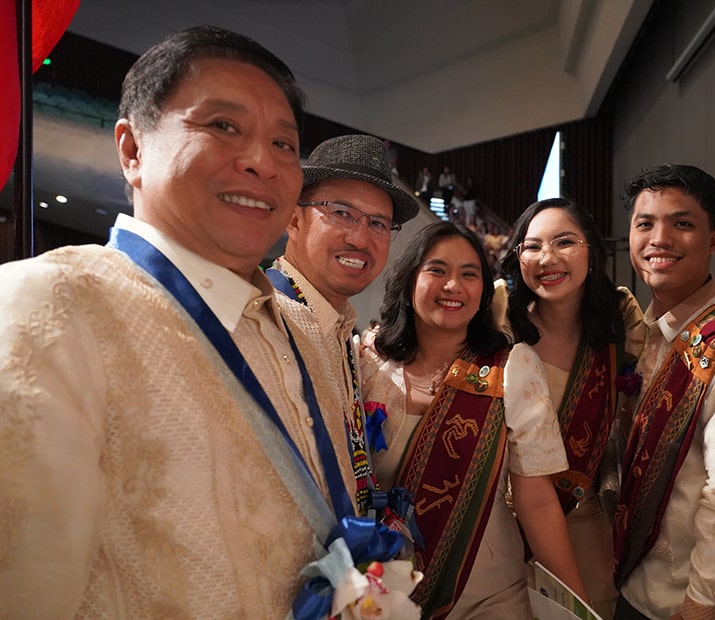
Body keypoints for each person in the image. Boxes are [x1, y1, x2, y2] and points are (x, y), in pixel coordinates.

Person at [0, 26, 344, 617]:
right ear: (132, 150)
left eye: (284, 145)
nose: (262, 162)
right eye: (223, 126)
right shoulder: (52, 304)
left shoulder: (303, 327)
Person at [361, 222, 587, 618]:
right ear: (409, 278)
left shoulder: (512, 368)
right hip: (383, 596)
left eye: (470, 274)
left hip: (490, 597)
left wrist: (576, 605)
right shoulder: (367, 363)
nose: (453, 286)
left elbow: (536, 503)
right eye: (437, 270)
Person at [613, 164, 715, 620]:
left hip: (681, 597)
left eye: (682, 223)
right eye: (645, 223)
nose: (659, 239)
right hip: (629, 578)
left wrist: (703, 601)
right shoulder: (639, 332)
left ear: (713, 240)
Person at [497, 197, 645, 619]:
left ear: (592, 252)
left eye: (565, 242)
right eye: (532, 246)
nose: (547, 259)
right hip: (501, 534)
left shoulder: (621, 323)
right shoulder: (498, 318)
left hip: (582, 524)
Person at [267, 134, 420, 515]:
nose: (360, 238)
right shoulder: (264, 317)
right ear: (293, 217)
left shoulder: (340, 333)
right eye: (341, 213)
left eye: (379, 223)